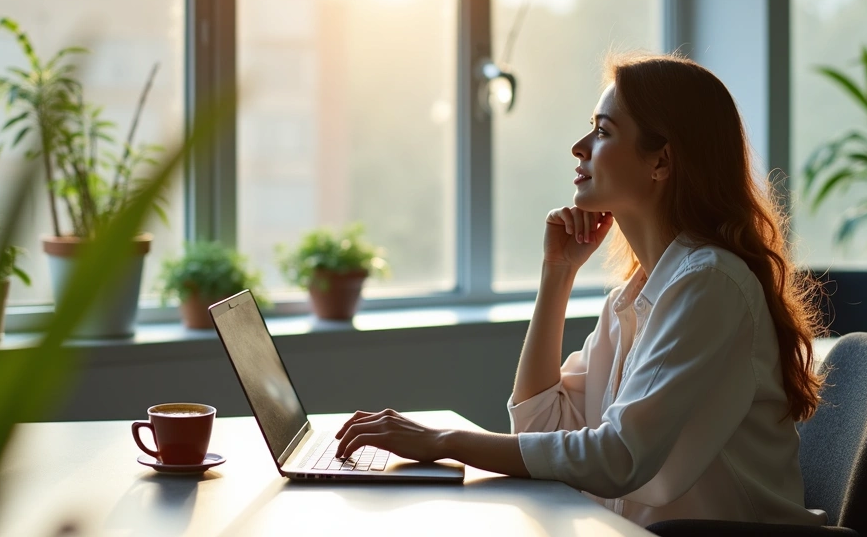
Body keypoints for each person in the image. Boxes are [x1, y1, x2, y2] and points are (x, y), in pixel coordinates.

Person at [333, 53, 829, 527]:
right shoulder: (635, 298)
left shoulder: (710, 284)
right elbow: (538, 427)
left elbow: (619, 456)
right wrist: (557, 274)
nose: (579, 146)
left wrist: (445, 441)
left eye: (603, 131)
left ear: (661, 161)